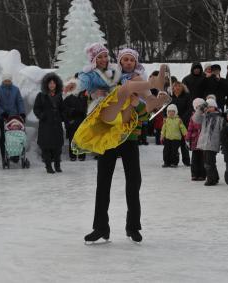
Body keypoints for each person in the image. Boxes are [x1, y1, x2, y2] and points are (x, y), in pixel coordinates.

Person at [82, 47, 168, 244]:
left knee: (133, 183)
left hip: (129, 138)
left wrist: (137, 105)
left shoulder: (140, 84)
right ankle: (100, 227)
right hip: (108, 138)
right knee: (102, 184)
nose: (128, 62)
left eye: (131, 60)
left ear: (136, 63)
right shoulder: (109, 79)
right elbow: (93, 104)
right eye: (125, 59)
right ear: (119, 62)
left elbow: (147, 115)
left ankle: (133, 227)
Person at [33, 72, 65, 173]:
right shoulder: (41, 95)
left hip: (57, 125)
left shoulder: (59, 96)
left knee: (57, 146)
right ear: (46, 84)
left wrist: (62, 117)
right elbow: (36, 108)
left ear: (57, 84)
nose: (52, 85)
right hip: (46, 125)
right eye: (50, 83)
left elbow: (62, 109)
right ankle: (48, 166)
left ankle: (57, 165)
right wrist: (42, 116)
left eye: (53, 83)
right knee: (46, 147)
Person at [0, 74, 26, 164]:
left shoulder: (15, 89)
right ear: (3, 81)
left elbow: (19, 101)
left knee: (15, 136)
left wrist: (22, 113)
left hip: (14, 117)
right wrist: (1, 112)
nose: (7, 82)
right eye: (5, 81)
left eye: (9, 81)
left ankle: (15, 155)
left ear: (11, 81)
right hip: (2, 117)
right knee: (4, 136)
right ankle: (4, 156)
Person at [193, 98, 224, 186]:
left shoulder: (219, 118)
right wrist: (201, 108)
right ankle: (215, 177)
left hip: (213, 143)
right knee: (208, 161)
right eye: (207, 107)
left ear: (215, 107)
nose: (209, 108)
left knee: (209, 162)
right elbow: (195, 119)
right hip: (204, 143)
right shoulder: (204, 116)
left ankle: (210, 179)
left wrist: (222, 142)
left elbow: (222, 130)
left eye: (211, 107)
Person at [170, 81, 192, 166]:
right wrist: (165, 116)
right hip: (172, 123)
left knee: (184, 142)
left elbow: (189, 109)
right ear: (173, 88)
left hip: (183, 122)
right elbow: (165, 108)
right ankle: (174, 161)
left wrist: (182, 118)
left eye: (179, 86)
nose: (177, 87)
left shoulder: (187, 96)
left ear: (183, 87)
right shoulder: (170, 97)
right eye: (175, 86)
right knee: (174, 143)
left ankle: (186, 161)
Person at [64, 86, 88, 161]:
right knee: (72, 138)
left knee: (82, 138)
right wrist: (71, 113)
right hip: (72, 122)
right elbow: (64, 110)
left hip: (82, 121)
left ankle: (81, 154)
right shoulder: (68, 99)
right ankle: (72, 155)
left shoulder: (84, 97)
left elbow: (85, 109)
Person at [186, 98, 206, 181]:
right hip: (195, 140)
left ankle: (202, 174)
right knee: (194, 159)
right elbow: (190, 128)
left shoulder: (206, 116)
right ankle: (194, 174)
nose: (199, 109)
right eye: (197, 107)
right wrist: (187, 138)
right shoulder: (193, 117)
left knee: (203, 159)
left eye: (200, 107)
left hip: (204, 140)